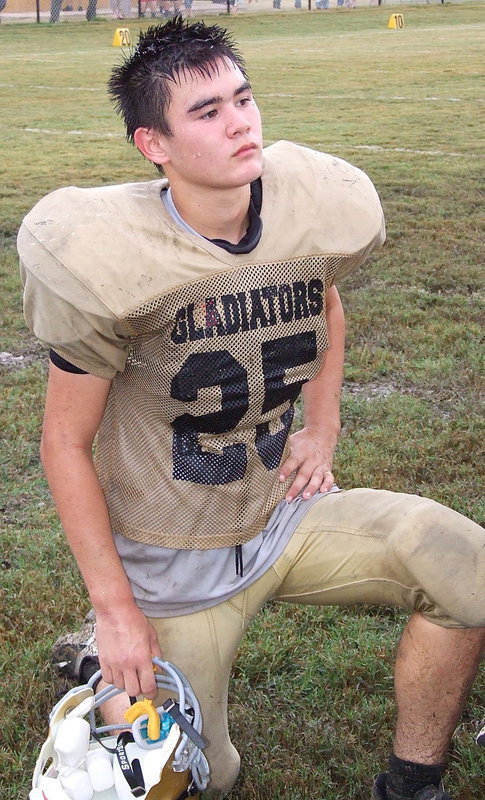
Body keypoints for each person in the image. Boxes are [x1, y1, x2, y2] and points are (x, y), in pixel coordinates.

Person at [18, 17, 484, 800]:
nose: (240, 122)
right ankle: (103, 652)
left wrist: (322, 427)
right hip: (173, 564)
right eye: (205, 112)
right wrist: (117, 607)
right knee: (199, 777)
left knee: (463, 563)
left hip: (280, 513)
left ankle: (411, 782)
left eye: (242, 97)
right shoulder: (108, 257)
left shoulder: (302, 210)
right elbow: (63, 442)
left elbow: (323, 301)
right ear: (152, 144)